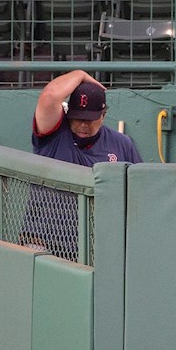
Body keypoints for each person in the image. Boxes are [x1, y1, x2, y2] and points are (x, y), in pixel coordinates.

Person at [23, 70, 142, 257]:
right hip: (44, 242)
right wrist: (79, 74)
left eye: (91, 119)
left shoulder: (121, 143)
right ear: (69, 113)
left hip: (98, 244)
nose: (84, 125)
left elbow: (139, 192)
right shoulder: (53, 135)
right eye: (78, 118)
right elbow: (50, 96)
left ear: (103, 115)